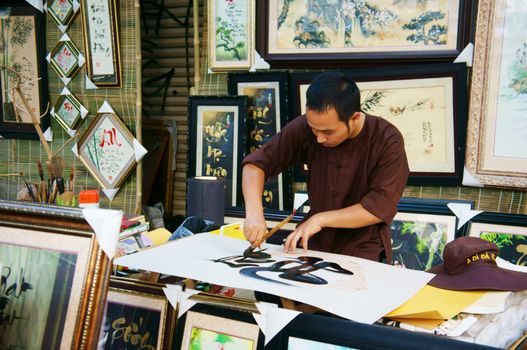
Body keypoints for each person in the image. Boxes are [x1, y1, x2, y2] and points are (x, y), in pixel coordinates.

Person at [241, 71, 409, 264]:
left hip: (361, 247)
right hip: (313, 242)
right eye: (314, 129)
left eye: (328, 132)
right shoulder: (307, 127)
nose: (319, 138)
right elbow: (256, 164)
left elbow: (377, 208)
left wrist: (320, 219)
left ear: (354, 117)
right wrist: (254, 212)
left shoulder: (386, 139)